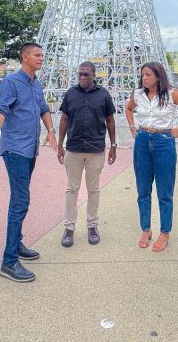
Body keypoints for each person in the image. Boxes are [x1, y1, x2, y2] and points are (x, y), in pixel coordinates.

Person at [0, 42, 58, 283]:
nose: (42, 58)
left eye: (42, 55)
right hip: (16, 150)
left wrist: (50, 130)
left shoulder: (36, 83)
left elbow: (43, 108)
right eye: (37, 55)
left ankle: (17, 243)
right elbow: (1, 110)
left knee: (20, 198)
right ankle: (9, 262)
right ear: (25, 57)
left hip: (30, 149)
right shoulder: (11, 82)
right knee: (21, 201)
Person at [124, 61, 178, 252]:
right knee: (143, 189)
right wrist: (133, 127)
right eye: (143, 75)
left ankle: (165, 232)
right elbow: (128, 108)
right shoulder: (138, 94)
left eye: (148, 74)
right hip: (142, 140)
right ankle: (146, 229)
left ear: (158, 76)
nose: (144, 78)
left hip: (164, 142)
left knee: (165, 192)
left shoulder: (172, 93)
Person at [56, 61, 116, 247]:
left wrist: (113, 145)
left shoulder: (103, 95)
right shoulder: (71, 94)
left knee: (93, 189)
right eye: (80, 74)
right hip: (73, 149)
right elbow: (64, 119)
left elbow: (110, 121)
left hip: (95, 149)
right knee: (72, 189)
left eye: (86, 74)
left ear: (94, 76)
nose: (82, 77)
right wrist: (60, 145)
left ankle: (92, 226)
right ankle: (69, 228)